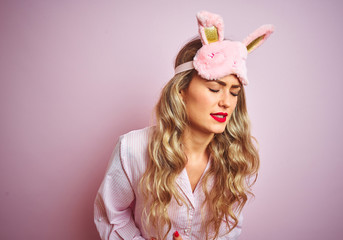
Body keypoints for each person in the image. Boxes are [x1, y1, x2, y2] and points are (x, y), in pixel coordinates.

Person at [94, 11, 274, 240]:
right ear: (181, 92)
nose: (226, 102)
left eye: (234, 92)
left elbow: (231, 227)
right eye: (214, 89)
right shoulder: (132, 149)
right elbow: (111, 215)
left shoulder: (239, 156)